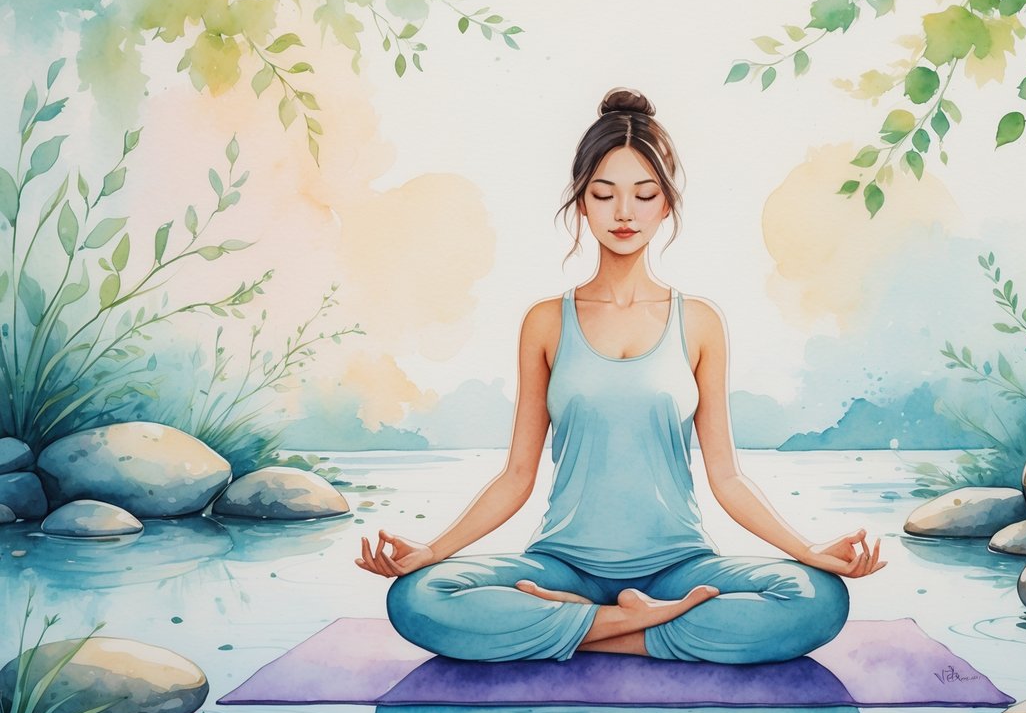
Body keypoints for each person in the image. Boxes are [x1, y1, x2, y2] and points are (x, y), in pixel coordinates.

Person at [356, 87, 886, 664]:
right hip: (562, 565)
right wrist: (432, 550)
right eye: (604, 194)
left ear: (667, 205)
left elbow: (728, 477)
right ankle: (627, 626)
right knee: (417, 597)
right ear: (582, 203)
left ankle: (592, 630)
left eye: (644, 194)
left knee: (819, 600)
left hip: (681, 568)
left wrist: (807, 550)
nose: (624, 213)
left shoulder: (700, 323)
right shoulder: (545, 323)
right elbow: (516, 475)